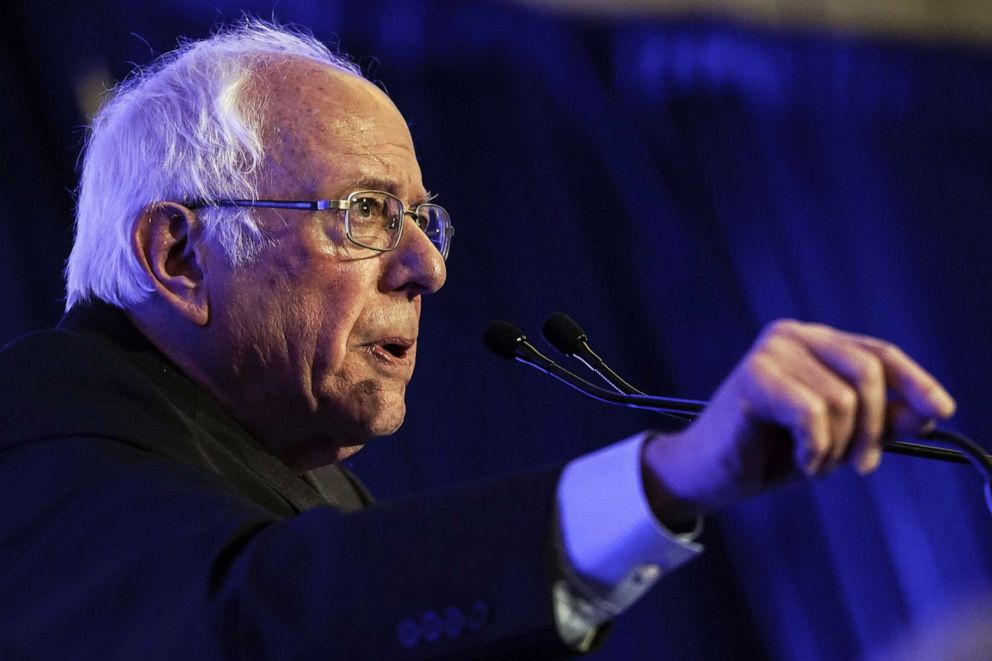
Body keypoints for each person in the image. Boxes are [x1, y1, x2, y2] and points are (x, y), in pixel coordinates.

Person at [0, 20, 956, 660]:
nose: (427, 267)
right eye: (365, 211)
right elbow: (273, 617)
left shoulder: (298, 475)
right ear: (177, 254)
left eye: (427, 220)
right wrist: (662, 481)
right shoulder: (40, 439)